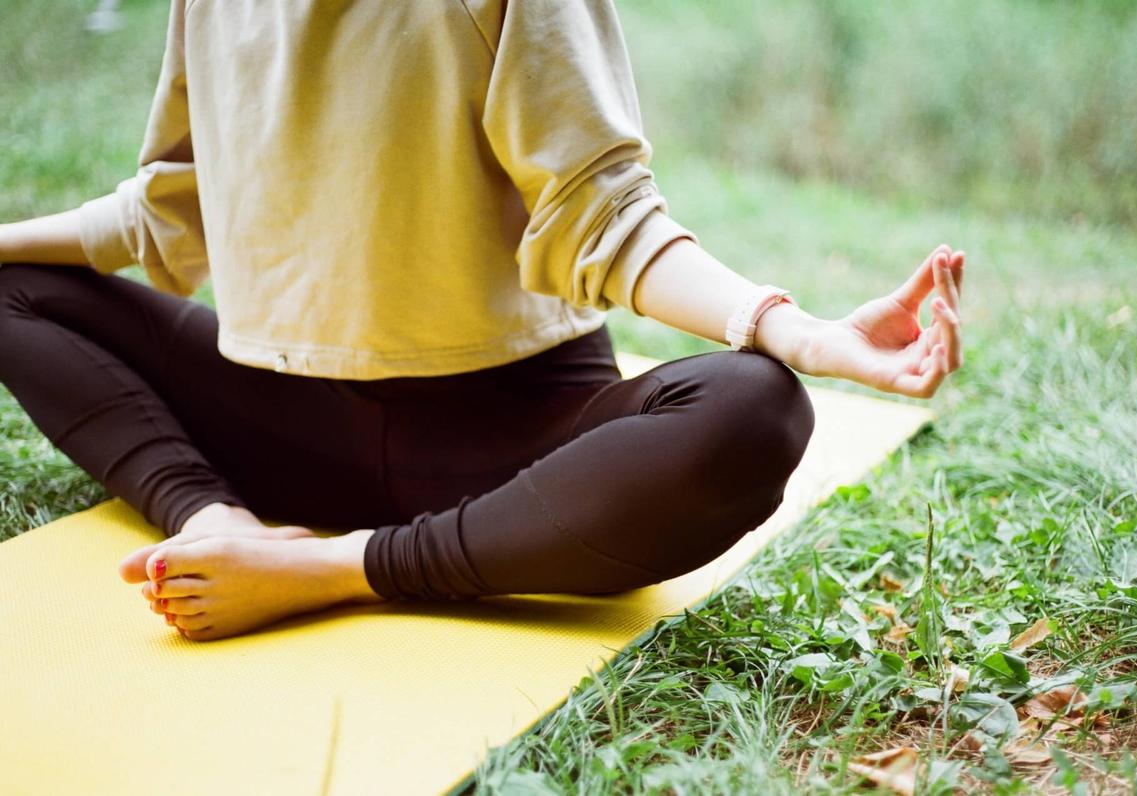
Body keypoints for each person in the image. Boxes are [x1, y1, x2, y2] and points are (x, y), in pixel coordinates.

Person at [0, 1, 964, 642]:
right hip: (284, 420)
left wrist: (796, 333)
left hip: (510, 443)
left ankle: (335, 569)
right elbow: (173, 207)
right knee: (11, 287)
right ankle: (224, 530)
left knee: (753, 407)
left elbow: (609, 217)